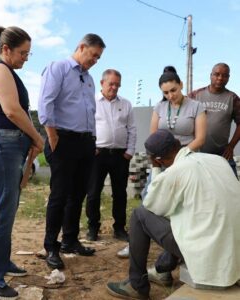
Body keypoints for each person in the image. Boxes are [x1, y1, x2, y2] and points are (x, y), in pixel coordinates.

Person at [107, 129, 240, 300]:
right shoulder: (218, 160)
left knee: (140, 215)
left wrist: (155, 169)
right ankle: (162, 269)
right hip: (235, 252)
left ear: (157, 159)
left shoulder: (174, 172)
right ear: (178, 144)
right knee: (186, 214)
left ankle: (136, 286)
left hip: (209, 257)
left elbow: (151, 205)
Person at [0, 26, 44, 300]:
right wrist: (37, 136)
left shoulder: (8, 72)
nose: (26, 58)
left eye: (28, 53)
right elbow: (12, 111)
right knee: (1, 212)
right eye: (23, 53)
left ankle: (1, 263)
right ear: (6, 49)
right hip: (0, 145)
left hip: (9, 145)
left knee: (7, 211)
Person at [118, 68, 207, 258]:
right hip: (162, 161)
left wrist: (179, 157)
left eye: (173, 90)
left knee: (181, 203)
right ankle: (137, 242)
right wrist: (159, 160)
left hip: (186, 160)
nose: (170, 95)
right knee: (148, 196)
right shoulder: (159, 107)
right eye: (165, 92)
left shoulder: (196, 106)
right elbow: (153, 137)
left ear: (181, 85)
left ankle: (179, 244)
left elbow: (200, 139)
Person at [38, 33, 106, 270]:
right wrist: (53, 135)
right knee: (59, 195)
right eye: (93, 55)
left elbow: (89, 111)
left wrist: (93, 140)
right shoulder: (58, 68)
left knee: (78, 194)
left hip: (85, 142)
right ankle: (51, 246)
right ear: (81, 47)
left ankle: (70, 240)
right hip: (62, 139)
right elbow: (45, 102)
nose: (95, 60)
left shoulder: (88, 79)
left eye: (99, 57)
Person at [85, 69, 136, 242]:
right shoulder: (91, 101)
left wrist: (130, 151)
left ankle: (119, 228)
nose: (114, 88)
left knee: (120, 193)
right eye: (111, 84)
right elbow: (86, 124)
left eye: (117, 85)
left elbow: (132, 129)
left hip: (120, 155)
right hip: (98, 154)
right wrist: (90, 146)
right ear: (102, 83)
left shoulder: (126, 104)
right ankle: (93, 228)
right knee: (93, 193)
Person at [188, 62, 240, 177]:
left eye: (224, 75)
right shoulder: (195, 95)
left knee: (231, 186)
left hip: (222, 153)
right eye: (217, 74)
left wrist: (231, 146)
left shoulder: (233, 98)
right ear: (210, 75)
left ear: (228, 78)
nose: (220, 78)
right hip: (197, 152)